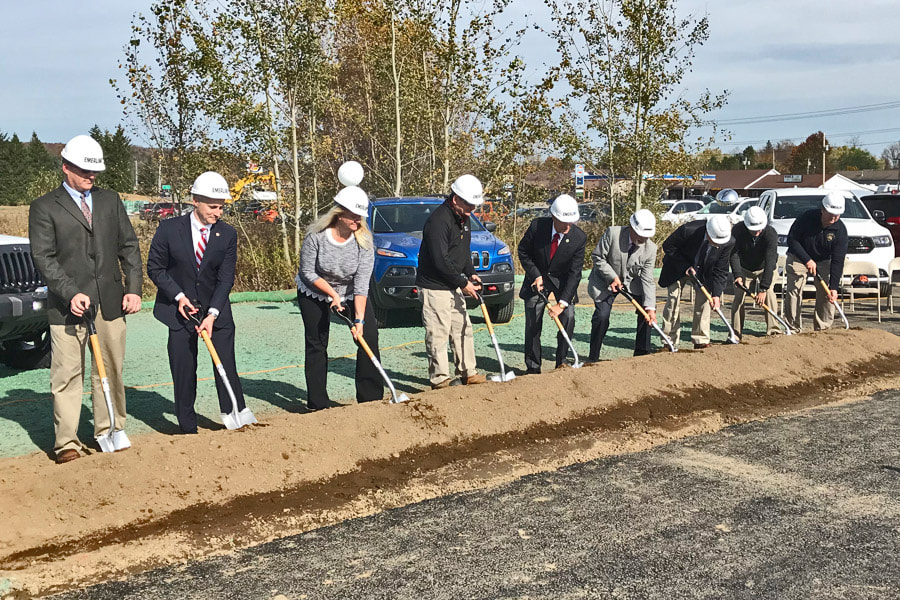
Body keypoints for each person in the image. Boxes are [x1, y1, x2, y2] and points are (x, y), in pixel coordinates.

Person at [28, 134, 142, 463]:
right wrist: (69, 292)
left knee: (110, 369)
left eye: (94, 172)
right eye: (84, 171)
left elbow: (129, 247)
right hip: (67, 309)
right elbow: (44, 259)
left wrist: (133, 288)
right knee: (66, 375)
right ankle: (67, 443)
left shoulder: (110, 201)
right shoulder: (44, 208)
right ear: (66, 167)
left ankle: (110, 429)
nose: (91, 177)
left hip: (110, 303)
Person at [147, 171, 250, 433]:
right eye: (213, 207)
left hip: (216, 309)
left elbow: (226, 278)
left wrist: (213, 314)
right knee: (183, 369)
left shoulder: (227, 234)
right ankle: (187, 424)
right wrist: (179, 296)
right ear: (195, 200)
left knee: (226, 363)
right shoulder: (169, 229)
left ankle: (234, 413)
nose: (218, 212)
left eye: (221, 207)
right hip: (178, 311)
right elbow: (155, 268)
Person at [296, 185, 383, 409]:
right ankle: (317, 402)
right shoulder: (316, 237)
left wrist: (360, 320)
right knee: (317, 342)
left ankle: (370, 398)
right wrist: (332, 294)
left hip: (351, 291)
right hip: (314, 290)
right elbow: (307, 272)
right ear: (340, 213)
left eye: (361, 217)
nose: (358, 221)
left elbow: (362, 283)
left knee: (368, 338)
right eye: (354, 216)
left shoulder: (364, 242)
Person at [416, 174, 488, 389]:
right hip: (433, 285)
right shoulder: (438, 221)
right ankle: (440, 378)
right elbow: (440, 259)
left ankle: (468, 372)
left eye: (474, 204)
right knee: (438, 331)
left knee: (463, 327)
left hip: (453, 282)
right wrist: (462, 282)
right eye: (468, 203)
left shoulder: (463, 218)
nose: (472, 208)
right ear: (456, 199)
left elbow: (462, 251)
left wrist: (470, 272)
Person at [518, 194, 586, 373]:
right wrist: (535, 275)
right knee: (533, 320)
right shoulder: (537, 227)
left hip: (563, 281)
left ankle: (561, 362)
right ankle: (533, 367)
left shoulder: (579, 237)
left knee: (569, 316)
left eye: (571, 222)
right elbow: (523, 251)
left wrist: (562, 304)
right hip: (538, 278)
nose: (568, 226)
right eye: (564, 222)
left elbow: (575, 273)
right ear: (554, 217)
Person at [587, 209, 657, 359]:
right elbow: (598, 257)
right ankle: (593, 356)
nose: (643, 239)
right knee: (602, 316)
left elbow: (647, 279)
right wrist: (612, 277)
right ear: (631, 228)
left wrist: (651, 308)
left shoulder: (651, 249)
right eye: (641, 235)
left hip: (632, 282)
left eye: (647, 236)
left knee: (645, 311)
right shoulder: (613, 234)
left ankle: (642, 353)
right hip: (605, 280)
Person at [658, 214, 734, 349]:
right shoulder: (688, 230)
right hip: (677, 267)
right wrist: (685, 266)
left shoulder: (728, 242)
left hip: (704, 271)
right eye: (714, 240)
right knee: (673, 300)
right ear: (707, 231)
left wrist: (716, 294)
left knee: (705, 300)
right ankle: (669, 340)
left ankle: (701, 340)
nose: (717, 244)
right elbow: (668, 246)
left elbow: (721, 270)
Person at [784, 191, 848, 331]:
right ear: (822, 209)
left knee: (827, 293)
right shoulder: (807, 218)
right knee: (794, 290)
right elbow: (792, 240)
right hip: (799, 257)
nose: (834, 217)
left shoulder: (840, 230)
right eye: (831, 213)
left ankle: (823, 328)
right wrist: (807, 260)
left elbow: (838, 260)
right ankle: (792, 327)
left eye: (837, 214)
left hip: (823, 260)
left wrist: (834, 287)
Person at [730, 204, 779, 337]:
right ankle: (735, 332)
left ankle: (773, 330)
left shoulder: (770, 234)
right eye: (753, 230)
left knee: (769, 293)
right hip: (744, 268)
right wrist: (738, 275)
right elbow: (733, 254)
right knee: (739, 296)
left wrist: (763, 289)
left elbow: (770, 261)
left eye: (759, 229)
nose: (756, 232)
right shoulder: (738, 230)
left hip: (764, 268)